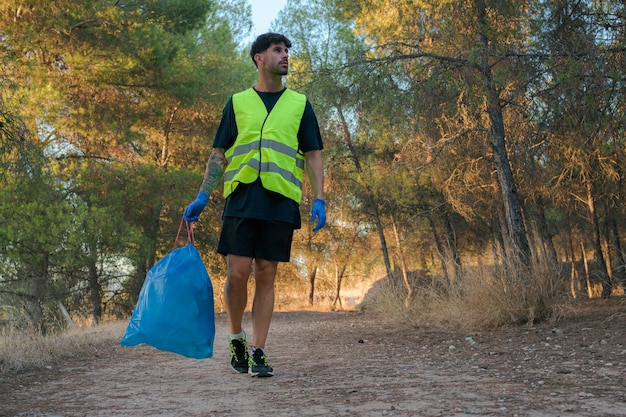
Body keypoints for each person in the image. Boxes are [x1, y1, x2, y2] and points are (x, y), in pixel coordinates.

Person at [183, 33, 326, 378]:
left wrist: (320, 196)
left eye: (288, 50)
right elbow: (219, 152)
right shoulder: (238, 103)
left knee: (266, 274)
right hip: (242, 197)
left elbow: (313, 154)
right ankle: (236, 338)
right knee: (237, 274)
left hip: (280, 199)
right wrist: (203, 195)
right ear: (258, 58)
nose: (285, 55)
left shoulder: (300, 104)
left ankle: (258, 351)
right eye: (278, 50)